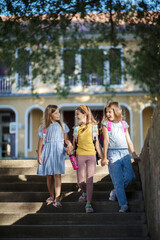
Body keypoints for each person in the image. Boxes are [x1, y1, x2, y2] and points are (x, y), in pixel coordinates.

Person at [101, 101, 140, 213]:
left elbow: (128, 140)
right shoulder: (105, 124)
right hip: (112, 154)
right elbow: (106, 141)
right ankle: (123, 205)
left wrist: (134, 154)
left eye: (110, 111)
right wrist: (104, 157)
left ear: (116, 111)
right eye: (106, 112)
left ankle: (115, 192)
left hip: (124, 153)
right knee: (118, 181)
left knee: (131, 176)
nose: (108, 114)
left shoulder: (124, 124)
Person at [37, 104, 72, 208]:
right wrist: (39, 154)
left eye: (58, 112)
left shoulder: (62, 126)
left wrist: (69, 144)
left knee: (57, 174)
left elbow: (66, 139)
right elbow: (40, 141)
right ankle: (51, 195)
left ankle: (57, 198)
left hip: (58, 151)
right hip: (47, 151)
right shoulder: (43, 127)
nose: (58, 114)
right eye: (56, 113)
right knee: (49, 175)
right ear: (49, 114)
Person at [71, 105, 103, 213]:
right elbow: (74, 146)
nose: (76, 116)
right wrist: (69, 148)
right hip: (80, 155)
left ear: (85, 114)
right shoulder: (76, 129)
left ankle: (88, 203)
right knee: (80, 182)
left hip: (91, 156)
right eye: (76, 114)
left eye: (77, 114)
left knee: (90, 179)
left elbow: (97, 144)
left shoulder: (94, 127)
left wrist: (103, 157)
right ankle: (84, 192)